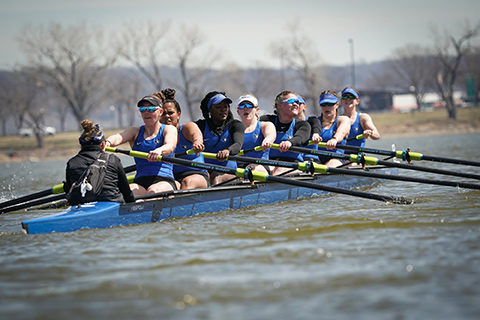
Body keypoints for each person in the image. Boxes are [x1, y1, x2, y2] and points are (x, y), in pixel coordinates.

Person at [105, 93, 178, 196]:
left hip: (164, 180)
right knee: (128, 192)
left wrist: (159, 151)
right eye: (143, 110)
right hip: (140, 181)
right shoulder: (135, 131)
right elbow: (118, 137)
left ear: (160, 112)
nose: (146, 112)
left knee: (153, 192)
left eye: (151, 109)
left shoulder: (168, 129)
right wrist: (107, 143)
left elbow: (170, 146)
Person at [64, 120, 135, 204]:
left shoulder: (72, 163)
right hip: (112, 204)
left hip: (81, 208)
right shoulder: (112, 159)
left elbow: (69, 191)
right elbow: (126, 192)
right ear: (103, 145)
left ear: (81, 146)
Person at [159, 88, 209, 189]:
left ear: (178, 115)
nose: (167, 116)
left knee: (187, 182)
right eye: (163, 114)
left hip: (197, 175)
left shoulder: (186, 128)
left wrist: (197, 142)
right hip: (173, 178)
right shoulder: (158, 135)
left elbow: (196, 134)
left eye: (170, 113)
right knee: (166, 187)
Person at [195, 91, 245, 185]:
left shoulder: (235, 125)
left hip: (228, 172)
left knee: (215, 176)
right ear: (210, 110)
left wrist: (227, 151)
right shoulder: (200, 126)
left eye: (225, 107)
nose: (223, 110)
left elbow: (238, 145)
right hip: (205, 172)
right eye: (218, 107)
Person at [260, 91, 311, 175]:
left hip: (293, 164)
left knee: (279, 170)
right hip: (269, 163)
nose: (295, 104)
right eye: (291, 101)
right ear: (279, 106)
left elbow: (301, 137)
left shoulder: (302, 124)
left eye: (297, 102)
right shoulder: (267, 120)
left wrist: (289, 142)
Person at [306, 90, 351, 167]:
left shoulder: (343, 119)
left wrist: (334, 139)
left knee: (329, 166)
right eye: (323, 104)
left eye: (330, 104)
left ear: (337, 105)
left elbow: (341, 133)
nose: (326, 107)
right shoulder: (315, 122)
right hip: (316, 158)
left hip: (336, 158)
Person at [236, 94, 276, 174]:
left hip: (260, 166)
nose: (245, 108)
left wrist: (267, 140)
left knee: (250, 169)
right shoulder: (234, 129)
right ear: (238, 111)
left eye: (249, 106)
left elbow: (271, 135)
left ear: (257, 109)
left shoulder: (265, 125)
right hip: (239, 167)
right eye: (242, 106)